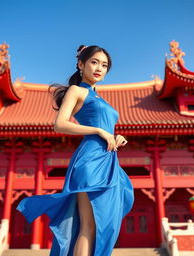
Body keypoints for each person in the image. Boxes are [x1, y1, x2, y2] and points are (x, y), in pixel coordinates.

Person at [16, 45, 134, 256]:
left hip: (109, 160)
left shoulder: (101, 99)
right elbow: (59, 124)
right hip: (90, 161)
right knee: (88, 225)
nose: (99, 68)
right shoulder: (77, 90)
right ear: (81, 64)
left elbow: (105, 127)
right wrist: (99, 130)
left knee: (105, 225)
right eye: (94, 62)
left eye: (104, 65)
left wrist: (115, 136)